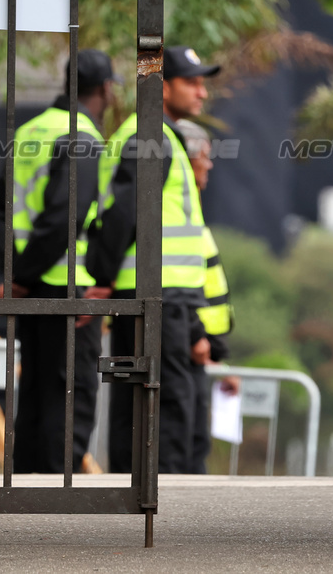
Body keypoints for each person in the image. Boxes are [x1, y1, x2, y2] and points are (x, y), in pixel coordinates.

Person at [87, 45, 218, 474]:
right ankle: (164, 506)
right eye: (192, 82)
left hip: (150, 290)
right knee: (166, 403)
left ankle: (136, 499)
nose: (201, 93)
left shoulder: (154, 134)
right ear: (163, 86)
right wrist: (103, 275)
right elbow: (127, 210)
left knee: (139, 400)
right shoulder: (150, 136)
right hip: (159, 293)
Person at [0, 49, 118, 473]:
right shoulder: (82, 136)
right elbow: (67, 216)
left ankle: (23, 495)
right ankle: (55, 504)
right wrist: (24, 277)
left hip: (28, 287)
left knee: (35, 392)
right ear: (106, 89)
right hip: (68, 287)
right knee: (68, 395)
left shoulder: (28, 131)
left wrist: (13, 275)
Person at [172, 118, 239, 474]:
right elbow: (178, 283)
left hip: (198, 353)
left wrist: (217, 359)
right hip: (184, 347)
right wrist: (197, 338)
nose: (209, 165)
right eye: (204, 156)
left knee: (193, 449)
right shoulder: (177, 213)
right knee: (176, 451)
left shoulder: (190, 212)